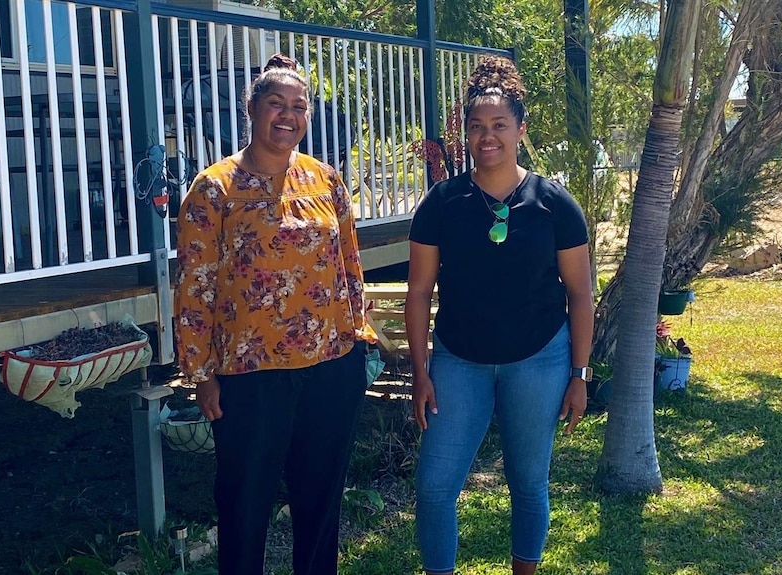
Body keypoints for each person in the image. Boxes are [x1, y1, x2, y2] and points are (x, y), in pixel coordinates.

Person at [173, 53, 377, 575]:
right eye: (275, 104)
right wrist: (200, 374)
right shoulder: (214, 188)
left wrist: (360, 337)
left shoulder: (326, 181)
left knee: (320, 502)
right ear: (252, 109)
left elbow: (348, 263)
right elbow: (195, 287)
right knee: (245, 505)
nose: (287, 116)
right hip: (249, 374)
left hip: (331, 367)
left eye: (298, 107)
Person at [405, 55, 595, 575]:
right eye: (476, 127)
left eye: (499, 125)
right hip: (458, 361)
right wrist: (421, 371)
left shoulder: (555, 204)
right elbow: (419, 292)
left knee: (529, 483)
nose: (487, 136)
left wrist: (579, 374)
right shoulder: (442, 203)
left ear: (520, 129)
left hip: (539, 358)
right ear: (466, 133)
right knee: (435, 486)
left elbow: (581, 293)